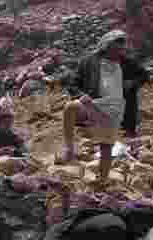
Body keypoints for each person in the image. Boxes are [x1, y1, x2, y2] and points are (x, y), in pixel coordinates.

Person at [61, 30, 147, 183]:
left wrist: (132, 84)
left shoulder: (126, 62)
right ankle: (69, 148)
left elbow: (144, 75)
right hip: (93, 103)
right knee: (70, 107)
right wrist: (80, 95)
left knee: (106, 146)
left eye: (121, 50)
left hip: (115, 108)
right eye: (116, 49)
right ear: (106, 46)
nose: (119, 53)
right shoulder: (89, 62)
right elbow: (72, 83)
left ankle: (102, 180)